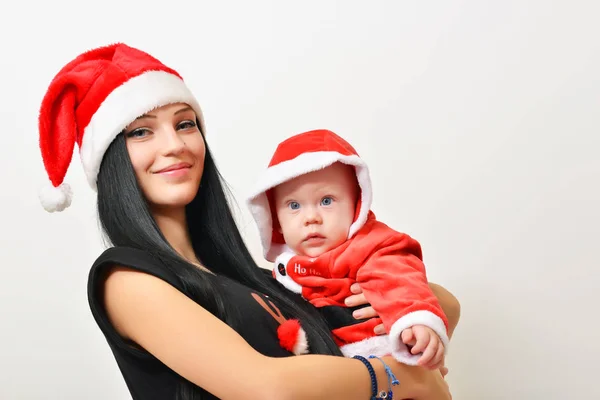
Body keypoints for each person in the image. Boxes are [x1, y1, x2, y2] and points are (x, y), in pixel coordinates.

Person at [37, 42, 458, 400]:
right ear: (110, 160)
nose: (175, 146)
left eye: (186, 124)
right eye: (141, 132)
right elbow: (265, 389)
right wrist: (400, 376)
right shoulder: (126, 279)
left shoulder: (258, 279)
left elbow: (441, 306)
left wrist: (400, 295)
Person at [246, 129, 450, 370]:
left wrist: (415, 322)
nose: (311, 217)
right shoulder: (283, 272)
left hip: (379, 355)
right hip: (333, 371)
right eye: (294, 205)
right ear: (275, 219)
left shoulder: (371, 247)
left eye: (326, 201)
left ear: (356, 205)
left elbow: (400, 279)